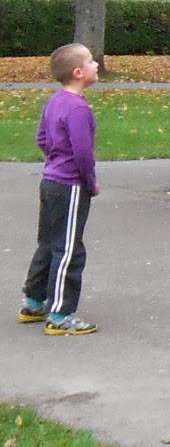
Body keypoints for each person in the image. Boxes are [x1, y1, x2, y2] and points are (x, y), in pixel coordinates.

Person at [20, 42, 101, 336]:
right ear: (78, 72)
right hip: (71, 186)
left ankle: (33, 300)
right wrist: (90, 182)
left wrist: (54, 159)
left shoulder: (54, 102)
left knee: (48, 242)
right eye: (92, 61)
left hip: (50, 181)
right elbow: (83, 153)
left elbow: (42, 139)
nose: (96, 65)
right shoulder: (78, 108)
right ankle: (60, 313)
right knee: (69, 249)